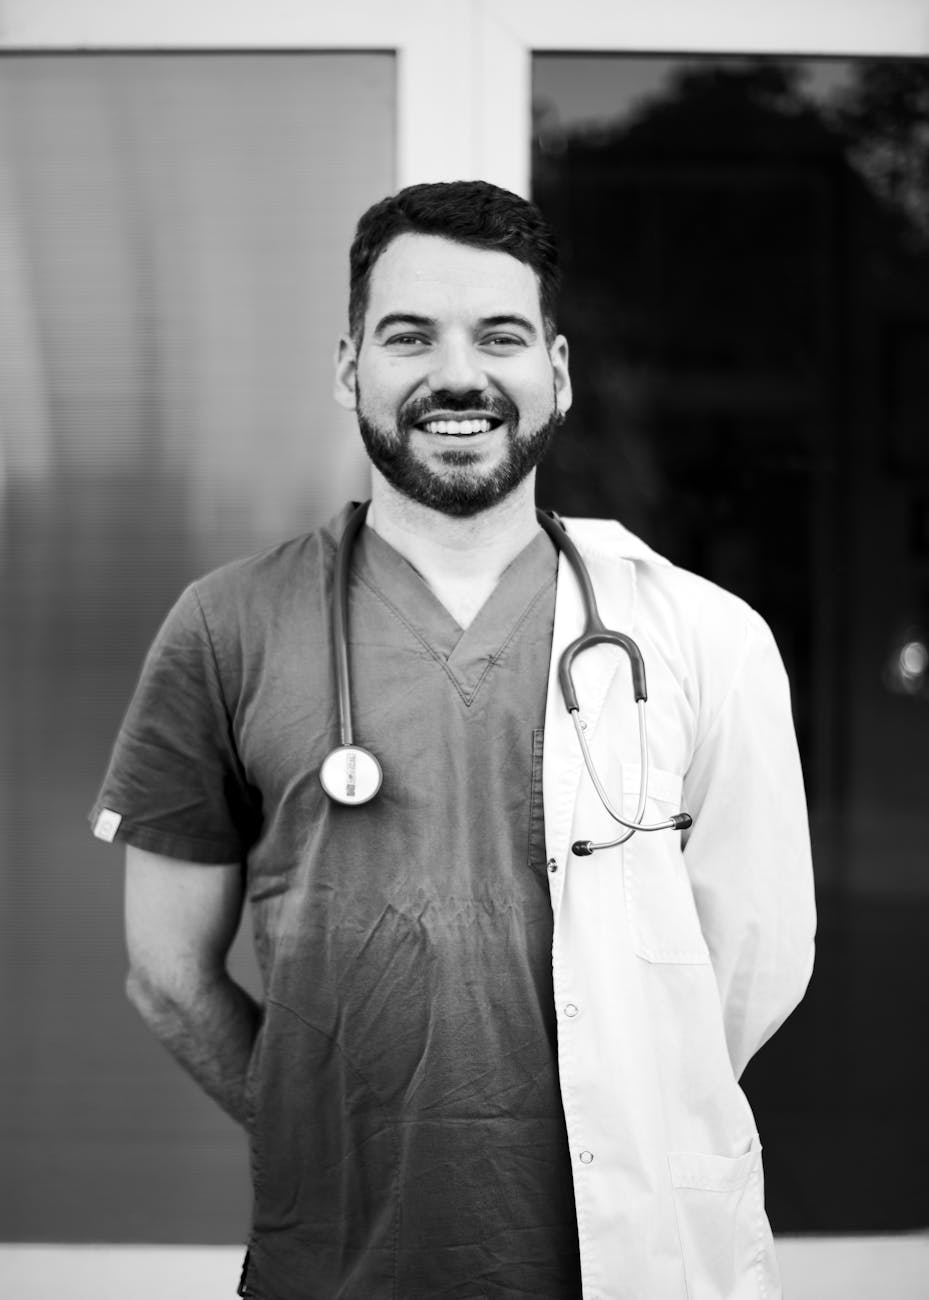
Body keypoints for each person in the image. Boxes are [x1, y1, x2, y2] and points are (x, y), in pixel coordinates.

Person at [90, 179, 816, 1300]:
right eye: (409, 335)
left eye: (500, 336)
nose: (458, 375)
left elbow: (752, 961)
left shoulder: (701, 636)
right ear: (348, 369)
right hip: (332, 1265)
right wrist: (316, 1118)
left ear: (556, 374)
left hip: (633, 1263)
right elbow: (165, 973)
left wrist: (619, 1111)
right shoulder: (224, 626)